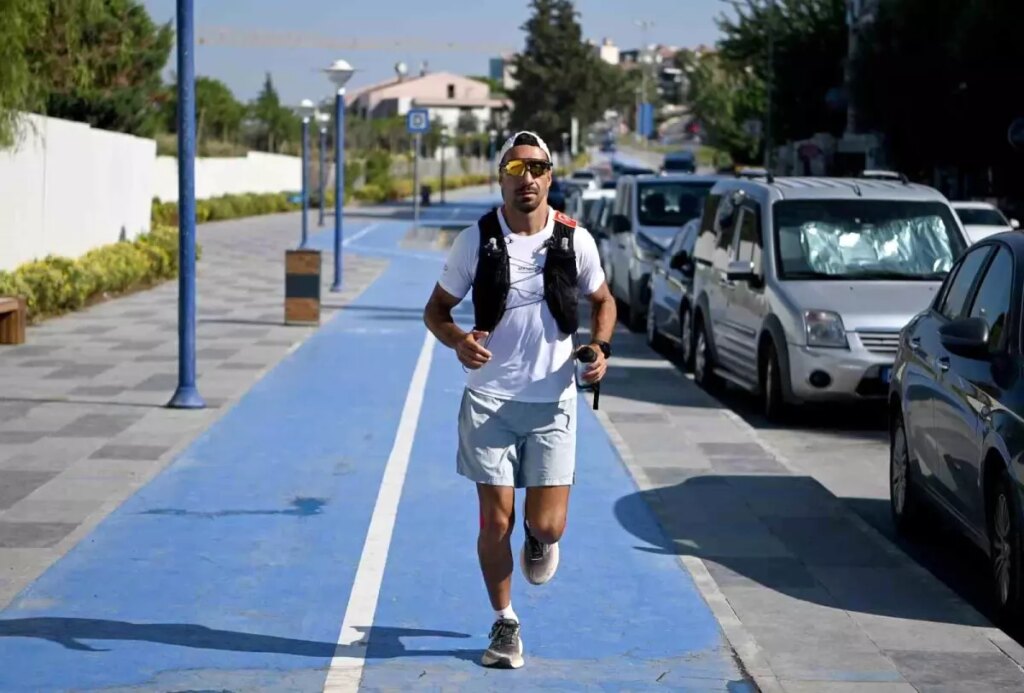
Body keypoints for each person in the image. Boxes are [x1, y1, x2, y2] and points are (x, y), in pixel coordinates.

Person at [423, 131, 616, 669]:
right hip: (488, 401)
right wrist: (458, 340)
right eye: (514, 169)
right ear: (501, 178)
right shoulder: (475, 240)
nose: (525, 178)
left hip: (553, 403)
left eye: (536, 168)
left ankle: (539, 537)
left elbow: (603, 301)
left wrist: (599, 349)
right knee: (495, 524)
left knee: (549, 525)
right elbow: (436, 310)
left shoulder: (575, 240)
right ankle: (505, 620)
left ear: (550, 176)